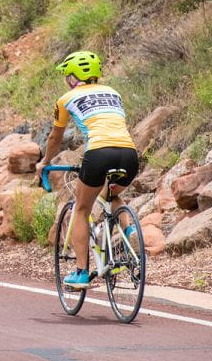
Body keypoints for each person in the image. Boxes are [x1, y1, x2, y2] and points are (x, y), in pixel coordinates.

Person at [34, 50, 139, 289]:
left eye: (66, 76)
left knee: (81, 209)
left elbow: (55, 137)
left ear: (72, 77)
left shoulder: (66, 99)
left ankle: (81, 273)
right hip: (129, 154)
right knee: (111, 194)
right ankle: (130, 232)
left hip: (99, 153)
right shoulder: (113, 93)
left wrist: (44, 162)